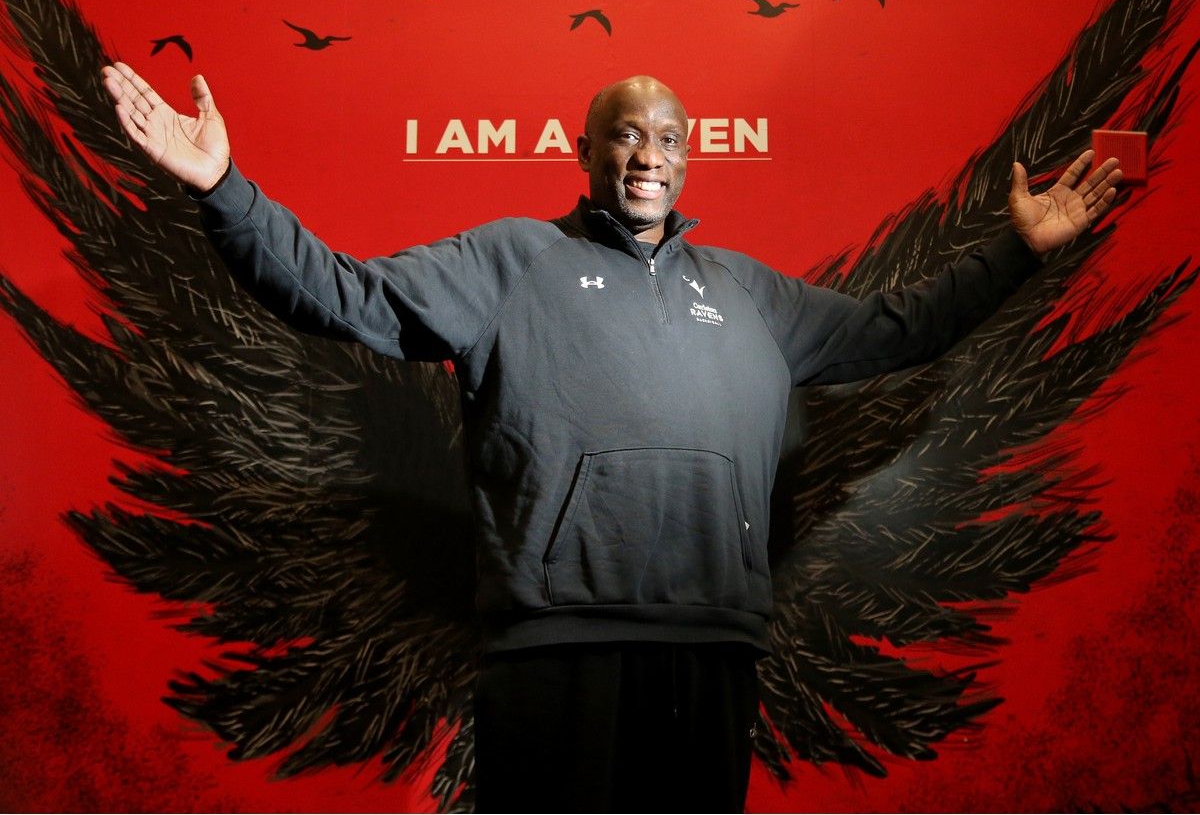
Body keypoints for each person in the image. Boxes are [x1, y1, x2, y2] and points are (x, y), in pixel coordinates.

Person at [100, 61, 1121, 812]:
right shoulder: (510, 262)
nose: (648, 155)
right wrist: (223, 191)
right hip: (556, 648)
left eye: (669, 138)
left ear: (689, 156)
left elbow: (904, 330)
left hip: (715, 651)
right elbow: (342, 295)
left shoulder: (751, 294)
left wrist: (1018, 255)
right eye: (626, 135)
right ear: (583, 151)